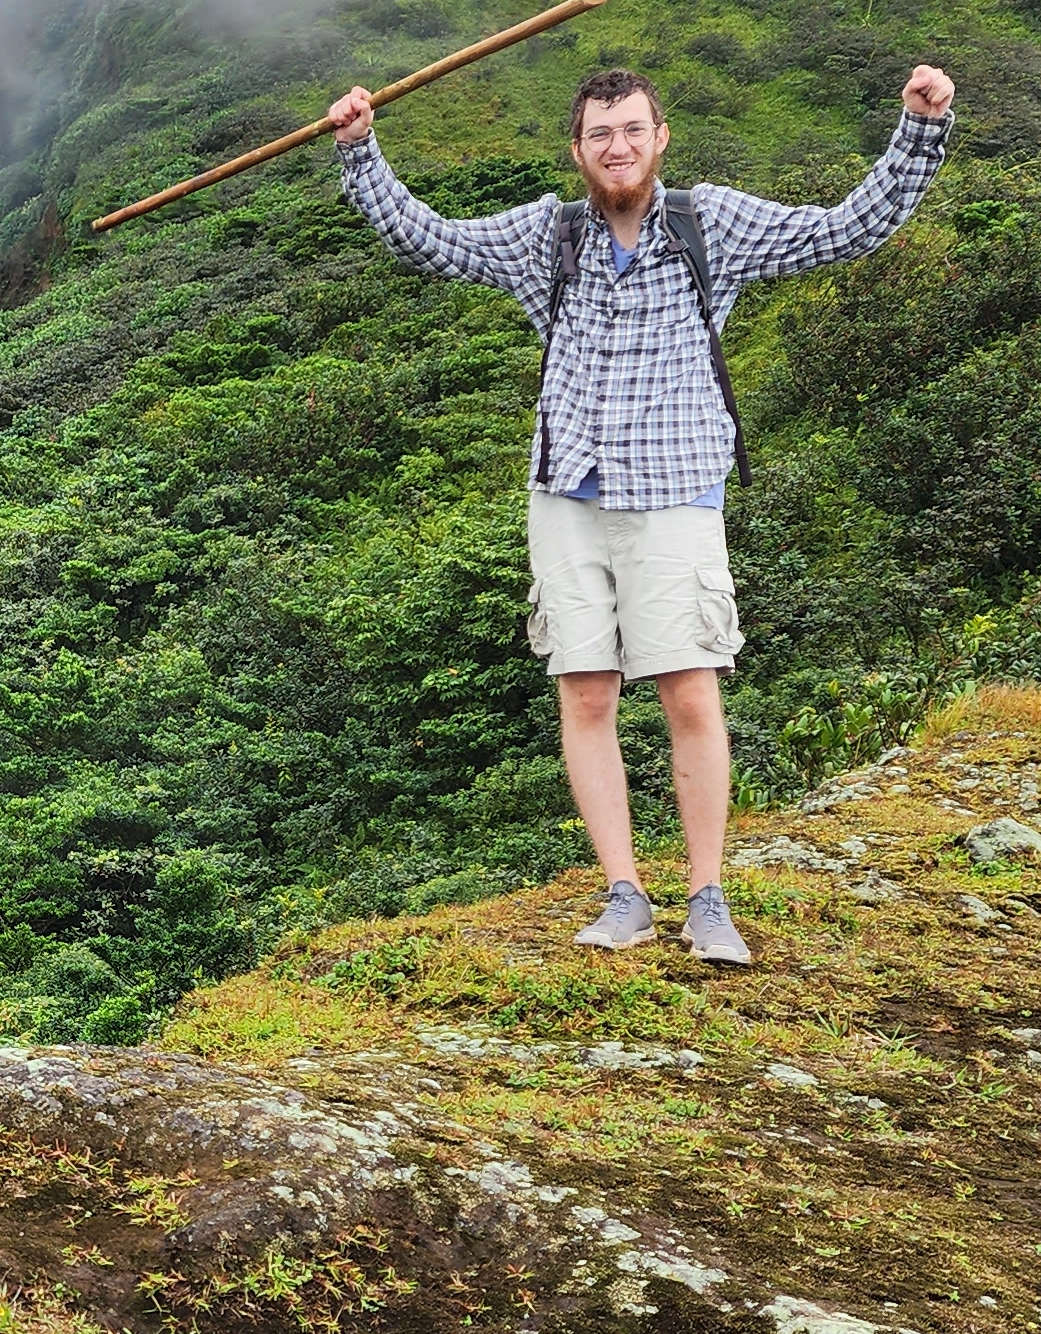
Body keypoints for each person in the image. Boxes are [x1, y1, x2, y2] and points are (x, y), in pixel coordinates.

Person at [322, 56, 957, 962]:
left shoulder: (713, 225)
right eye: (598, 134)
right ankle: (624, 893)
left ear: (660, 138)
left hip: (674, 493)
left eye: (631, 131)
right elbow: (431, 240)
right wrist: (360, 149)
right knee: (584, 690)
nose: (616, 148)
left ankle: (707, 898)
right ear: (576, 150)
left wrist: (919, 131)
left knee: (689, 691)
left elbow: (844, 231)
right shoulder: (548, 236)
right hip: (566, 494)